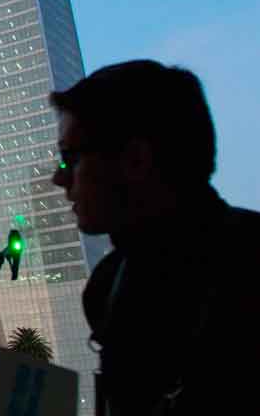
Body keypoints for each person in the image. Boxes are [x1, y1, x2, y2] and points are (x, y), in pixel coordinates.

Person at [49, 60, 259, 415]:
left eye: (70, 157)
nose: (58, 177)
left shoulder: (248, 268)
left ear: (136, 159)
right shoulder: (104, 287)